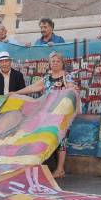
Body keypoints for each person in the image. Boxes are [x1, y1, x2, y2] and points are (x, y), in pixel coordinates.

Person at [14, 50, 77, 178]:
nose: (55, 63)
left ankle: (60, 169)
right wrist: (15, 93)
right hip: (47, 114)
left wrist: (70, 89)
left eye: (58, 61)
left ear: (62, 63)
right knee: (44, 137)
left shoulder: (67, 76)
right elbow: (32, 88)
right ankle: (41, 166)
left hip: (61, 114)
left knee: (62, 141)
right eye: (53, 61)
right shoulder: (47, 78)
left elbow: (71, 89)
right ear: (49, 63)